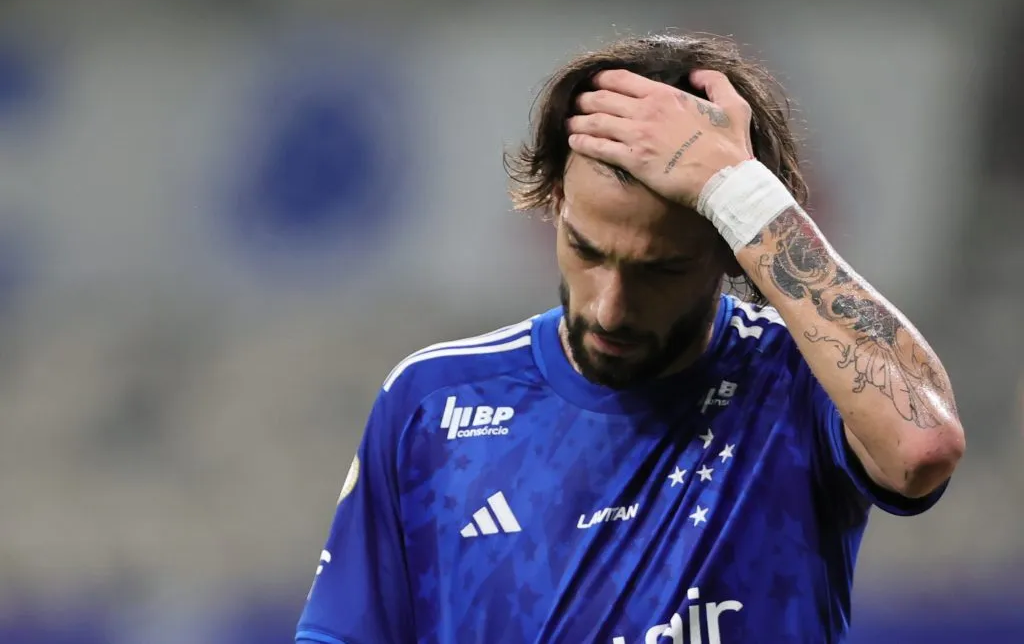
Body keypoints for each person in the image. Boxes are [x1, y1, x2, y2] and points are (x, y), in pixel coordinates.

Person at [295, 34, 965, 644]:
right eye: (587, 250)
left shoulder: (797, 383)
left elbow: (921, 444)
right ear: (553, 202)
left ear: (734, 251)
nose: (611, 308)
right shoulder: (432, 404)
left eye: (661, 269)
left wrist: (744, 193)